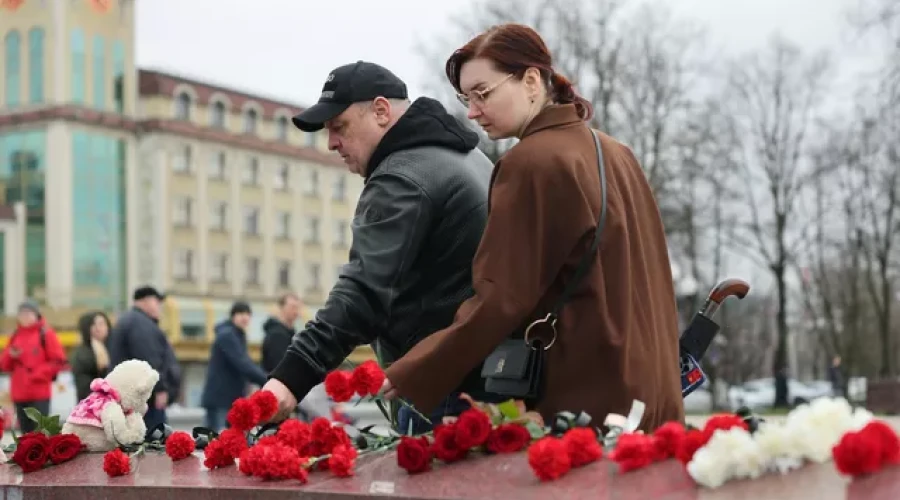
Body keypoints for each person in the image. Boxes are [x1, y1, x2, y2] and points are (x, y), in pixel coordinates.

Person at [381, 23, 685, 432]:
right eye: (465, 98)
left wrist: (415, 371)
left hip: (584, 399)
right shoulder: (617, 153)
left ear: (530, 80)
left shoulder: (531, 162)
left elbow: (501, 299)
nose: (472, 111)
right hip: (650, 391)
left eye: (482, 93)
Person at [262, 61, 501, 433]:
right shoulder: (468, 156)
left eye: (339, 127)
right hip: (484, 380)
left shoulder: (400, 177)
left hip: (441, 390)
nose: (331, 143)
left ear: (380, 111)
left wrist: (289, 378)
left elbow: (361, 294)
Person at [108, 286, 180, 436]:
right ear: (146, 301)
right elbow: (149, 359)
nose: (159, 307)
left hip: (138, 400)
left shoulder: (134, 321)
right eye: (156, 302)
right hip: (146, 401)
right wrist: (159, 388)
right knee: (153, 445)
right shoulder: (140, 324)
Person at [0, 300, 67, 433]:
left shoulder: (46, 334)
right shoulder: (15, 335)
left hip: (39, 393)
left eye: (28, 313)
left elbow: (59, 361)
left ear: (36, 315)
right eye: (21, 313)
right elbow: (4, 365)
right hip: (19, 394)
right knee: (25, 435)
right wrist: (10, 355)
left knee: (42, 432)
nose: (24, 317)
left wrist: (37, 374)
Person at [201, 302, 268, 431]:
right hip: (221, 400)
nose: (245, 317)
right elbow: (243, 364)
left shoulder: (237, 335)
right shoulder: (228, 335)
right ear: (233, 316)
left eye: (247, 314)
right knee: (216, 441)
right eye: (241, 313)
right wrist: (267, 380)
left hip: (228, 399)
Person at [70, 311, 113, 402]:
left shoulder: (114, 347)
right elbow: (84, 387)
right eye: (93, 325)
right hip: (92, 404)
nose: (98, 328)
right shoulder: (82, 354)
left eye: (102, 324)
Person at [261, 293, 302, 374]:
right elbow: (279, 366)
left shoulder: (291, 333)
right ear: (281, 308)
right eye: (292, 307)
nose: (296, 311)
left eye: (298, 307)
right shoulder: (276, 334)